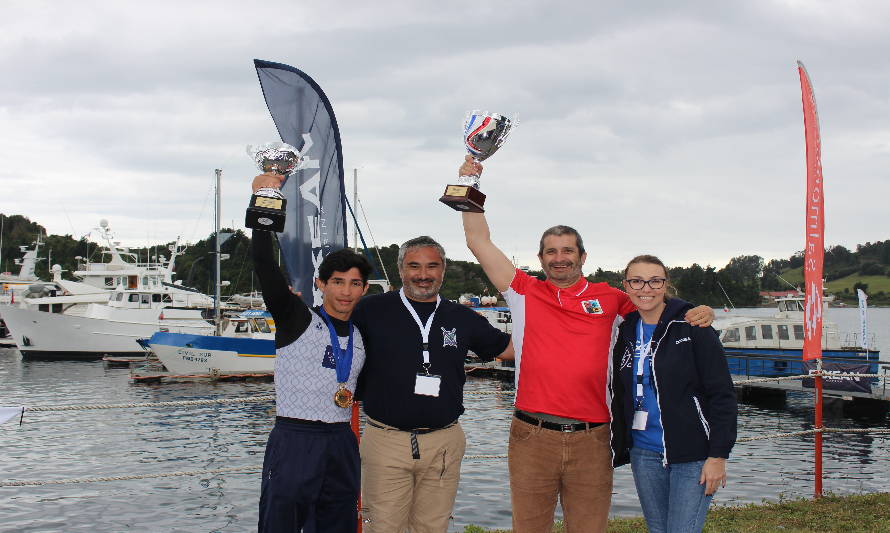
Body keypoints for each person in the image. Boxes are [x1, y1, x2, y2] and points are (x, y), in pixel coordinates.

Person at [457, 155, 714, 533]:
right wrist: (468, 179)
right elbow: (478, 240)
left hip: (593, 436)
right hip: (532, 435)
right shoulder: (523, 291)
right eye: (551, 252)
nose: (560, 259)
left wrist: (697, 310)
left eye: (568, 251)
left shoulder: (610, 297)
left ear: (582, 257)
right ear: (540, 258)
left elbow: (655, 301)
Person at [352, 235, 513, 533]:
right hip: (386, 441)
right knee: (383, 527)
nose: (423, 275)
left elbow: (508, 349)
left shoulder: (462, 316)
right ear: (400, 269)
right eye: (414, 266)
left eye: (432, 266)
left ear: (443, 270)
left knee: (433, 527)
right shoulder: (369, 310)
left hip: (444, 442)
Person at [251, 172, 373, 533]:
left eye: (354, 284)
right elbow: (264, 266)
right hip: (295, 438)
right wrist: (264, 200)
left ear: (365, 288)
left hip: (341, 441)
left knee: (337, 525)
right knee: (281, 525)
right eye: (337, 282)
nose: (345, 292)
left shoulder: (362, 334)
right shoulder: (296, 319)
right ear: (321, 284)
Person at [610, 255, 737, 533]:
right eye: (637, 281)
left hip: (693, 454)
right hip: (644, 452)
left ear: (666, 284)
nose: (646, 288)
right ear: (626, 286)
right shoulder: (625, 329)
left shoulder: (693, 326)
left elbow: (722, 395)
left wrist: (718, 456)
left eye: (655, 281)